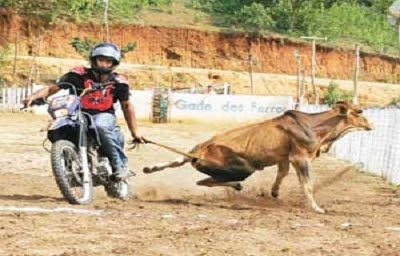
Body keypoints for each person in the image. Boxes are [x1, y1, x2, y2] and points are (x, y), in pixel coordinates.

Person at [23, 42, 145, 180]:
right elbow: (53, 88)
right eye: (101, 60)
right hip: (77, 113)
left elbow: (127, 106)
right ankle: (69, 165)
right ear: (93, 60)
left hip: (103, 114)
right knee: (58, 128)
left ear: (113, 63)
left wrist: (135, 132)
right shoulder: (78, 75)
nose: (103, 64)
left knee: (100, 125)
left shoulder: (119, 81)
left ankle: (119, 166)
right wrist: (33, 97)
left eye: (108, 61)